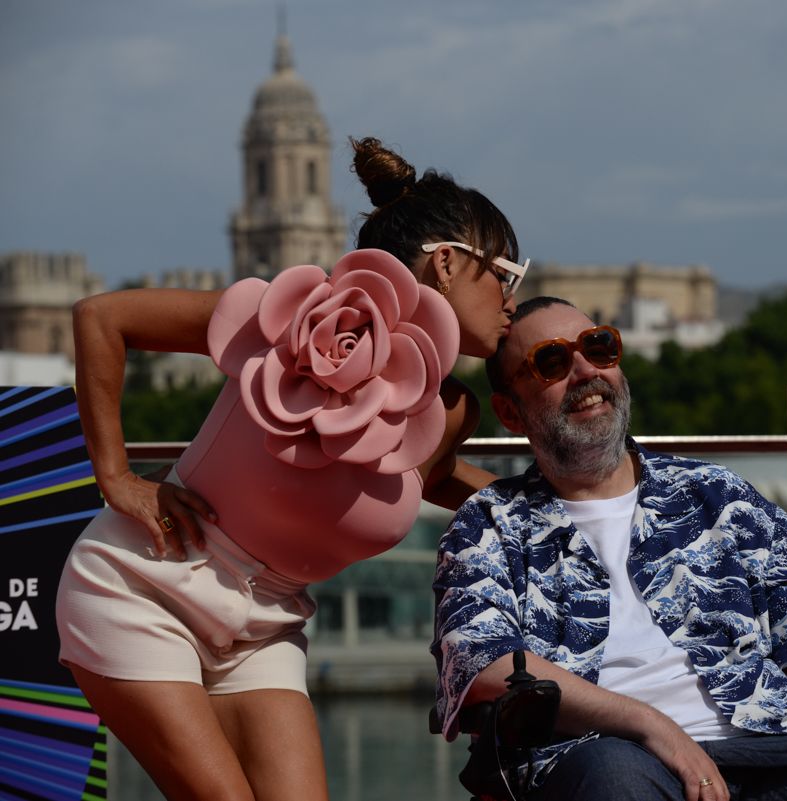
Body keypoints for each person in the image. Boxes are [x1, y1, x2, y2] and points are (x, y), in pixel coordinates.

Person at [55, 136, 530, 801]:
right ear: (448, 262)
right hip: (146, 584)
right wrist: (115, 476)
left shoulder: (449, 410)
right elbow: (101, 317)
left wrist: (546, 506)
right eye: (506, 272)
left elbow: (417, 481)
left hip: (267, 623)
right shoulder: (293, 316)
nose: (513, 298)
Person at [431, 297, 787, 801]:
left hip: (775, 742)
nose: (586, 371)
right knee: (615, 780)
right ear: (509, 412)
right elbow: (482, 661)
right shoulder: (491, 524)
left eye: (599, 347)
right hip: (603, 753)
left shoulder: (716, 494)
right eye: (552, 362)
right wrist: (649, 724)